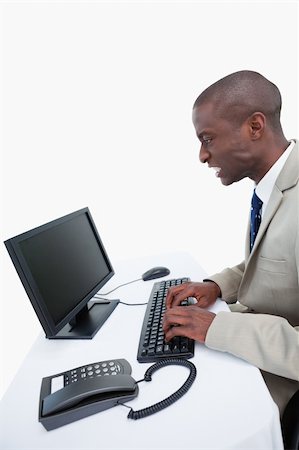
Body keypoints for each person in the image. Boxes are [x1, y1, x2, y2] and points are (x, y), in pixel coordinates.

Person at [163, 70, 299, 416]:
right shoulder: (274, 186)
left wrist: (219, 328)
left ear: (255, 127)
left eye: (207, 139)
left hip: (279, 380)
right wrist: (216, 286)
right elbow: (274, 260)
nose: (202, 156)